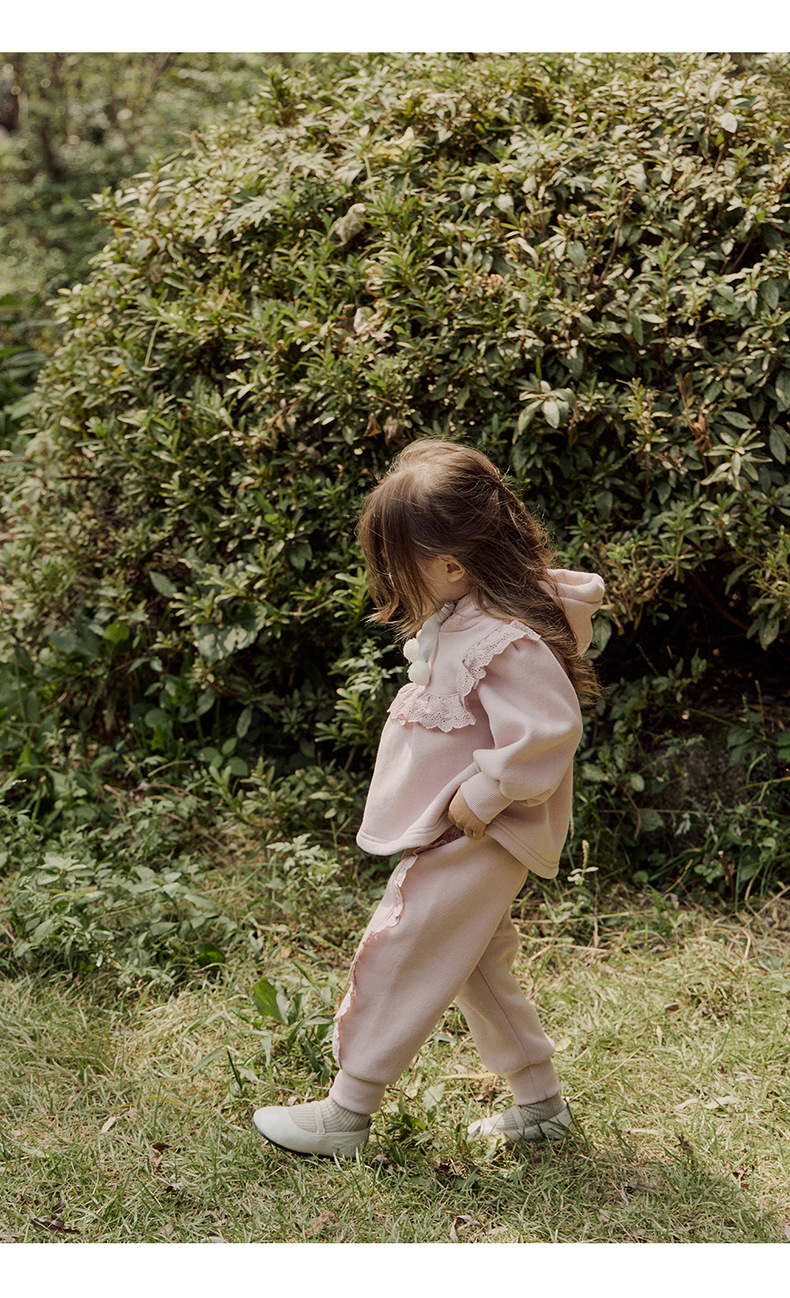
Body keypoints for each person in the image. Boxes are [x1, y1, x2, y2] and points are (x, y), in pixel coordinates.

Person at [252, 438, 604, 1158]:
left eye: (395, 566)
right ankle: (541, 1106)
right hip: (473, 828)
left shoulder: (502, 637)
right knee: (475, 962)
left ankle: (347, 1110)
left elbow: (550, 727)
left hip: (481, 831)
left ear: (449, 566)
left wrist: (488, 789)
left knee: (407, 940)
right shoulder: (471, 615)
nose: (390, 580)